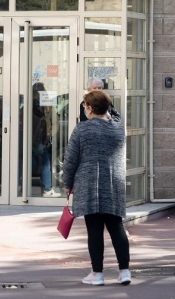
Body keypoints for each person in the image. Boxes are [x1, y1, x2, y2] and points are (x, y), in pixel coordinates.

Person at [62, 90, 131, 286]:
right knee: (116, 227)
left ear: (90, 108)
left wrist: (68, 183)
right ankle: (124, 271)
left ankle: (97, 273)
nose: (85, 109)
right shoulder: (118, 129)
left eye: (86, 105)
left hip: (89, 184)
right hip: (113, 185)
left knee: (94, 230)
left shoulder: (82, 130)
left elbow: (70, 161)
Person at [31, 83, 59, 197]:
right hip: (42, 139)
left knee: (31, 163)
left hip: (32, 139)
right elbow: (55, 124)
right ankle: (47, 189)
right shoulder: (48, 106)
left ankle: (20, 186)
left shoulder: (29, 105)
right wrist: (50, 134)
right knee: (45, 163)